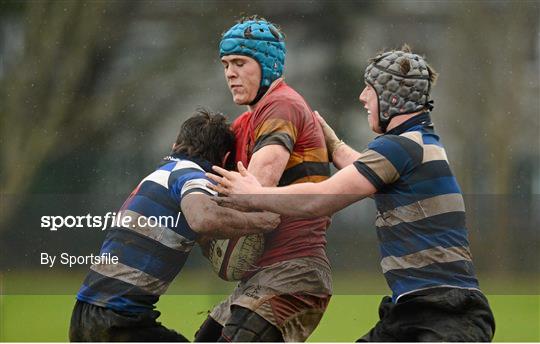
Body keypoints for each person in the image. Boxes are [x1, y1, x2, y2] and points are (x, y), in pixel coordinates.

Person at [207, 45, 496, 342]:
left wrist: (254, 194)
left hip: (446, 317)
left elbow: (321, 199)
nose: (362, 97)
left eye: (369, 89)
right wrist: (330, 142)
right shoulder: (419, 143)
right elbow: (363, 168)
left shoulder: (398, 148)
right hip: (413, 312)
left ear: (391, 98)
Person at [69, 108, 280, 342]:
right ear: (226, 159)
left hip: (86, 316)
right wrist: (259, 222)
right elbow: (203, 219)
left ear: (175, 145)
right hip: (117, 321)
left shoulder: (158, 176)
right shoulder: (191, 176)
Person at [194, 16, 332, 343]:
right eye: (226, 64)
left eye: (240, 63)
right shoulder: (245, 122)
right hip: (262, 276)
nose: (230, 72)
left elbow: (256, 188)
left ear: (267, 64)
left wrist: (205, 219)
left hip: (295, 271)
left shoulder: (281, 106)